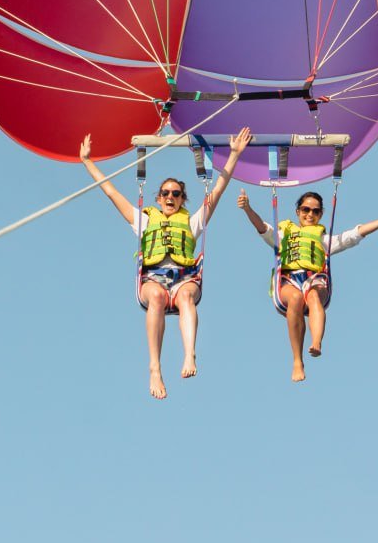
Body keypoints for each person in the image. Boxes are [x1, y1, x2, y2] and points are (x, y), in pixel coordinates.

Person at [80, 128, 251, 400]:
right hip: (153, 280)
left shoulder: (193, 222)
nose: (170, 197)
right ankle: (155, 367)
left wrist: (234, 156)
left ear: (183, 199)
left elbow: (218, 189)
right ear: (158, 199)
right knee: (158, 298)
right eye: (165, 193)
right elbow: (112, 193)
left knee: (185, 297)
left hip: (185, 279)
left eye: (176, 193)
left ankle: (189, 354)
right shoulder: (145, 221)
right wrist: (88, 162)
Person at [237, 188, 378, 382]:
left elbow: (354, 235)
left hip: (315, 279)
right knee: (295, 299)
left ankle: (316, 342)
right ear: (298, 211)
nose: (310, 214)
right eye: (305, 210)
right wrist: (247, 208)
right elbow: (261, 226)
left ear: (320, 214)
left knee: (312, 296)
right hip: (289, 280)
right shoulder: (283, 235)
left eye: (315, 211)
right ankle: (297, 361)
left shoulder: (323, 240)